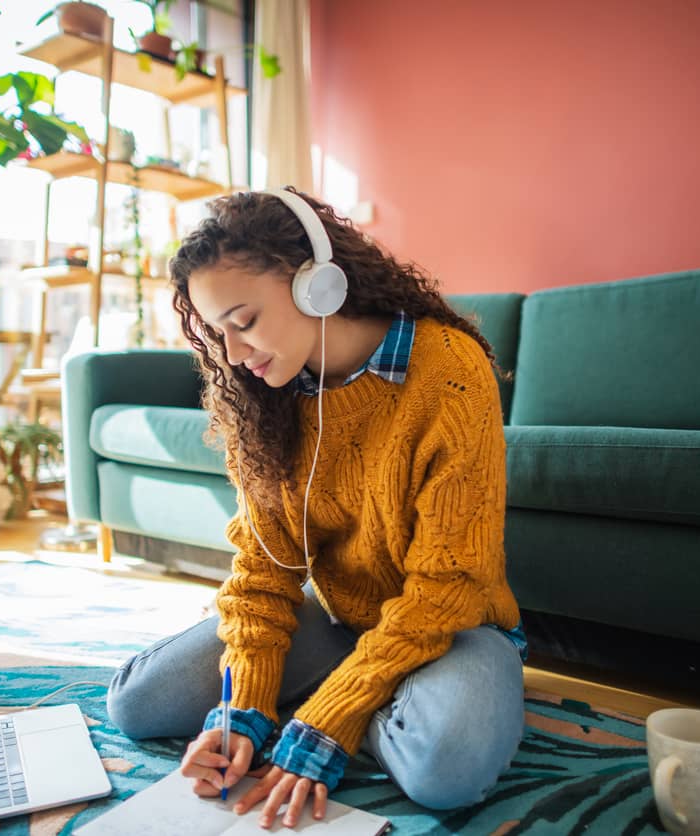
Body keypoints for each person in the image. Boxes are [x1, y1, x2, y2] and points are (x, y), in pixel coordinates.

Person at [107, 187, 526, 830]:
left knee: (448, 767)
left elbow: (447, 589)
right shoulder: (263, 399)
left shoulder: (449, 373)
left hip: (453, 628)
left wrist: (333, 714)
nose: (234, 357)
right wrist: (240, 707)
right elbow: (263, 571)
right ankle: (357, 694)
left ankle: (353, 695)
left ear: (316, 285)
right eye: (218, 335)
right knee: (135, 704)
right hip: (336, 622)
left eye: (243, 322)